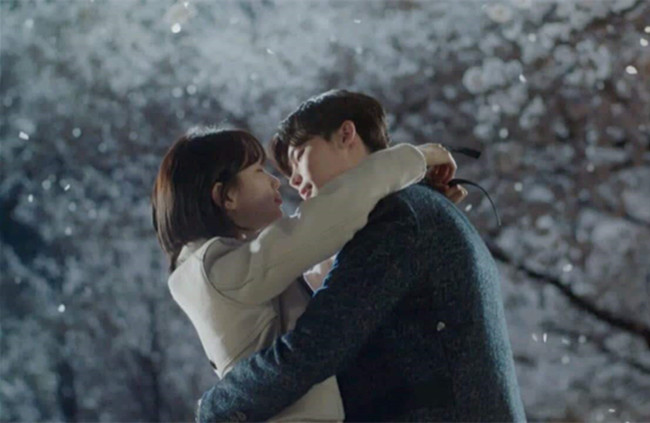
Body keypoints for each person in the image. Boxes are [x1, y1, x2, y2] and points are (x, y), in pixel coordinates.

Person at [196, 90, 526, 422]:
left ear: (346, 134)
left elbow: (316, 346)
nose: (293, 181)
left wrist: (218, 404)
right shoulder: (414, 210)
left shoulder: (398, 216)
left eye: (299, 156)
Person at [151, 126, 466, 421]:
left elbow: (329, 280)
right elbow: (326, 217)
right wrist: (414, 158)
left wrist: (417, 210)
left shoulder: (227, 270)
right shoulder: (220, 271)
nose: (276, 181)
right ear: (226, 196)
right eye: (258, 170)